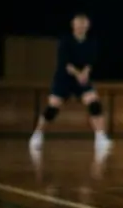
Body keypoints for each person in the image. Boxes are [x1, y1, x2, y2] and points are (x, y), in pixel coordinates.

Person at [29, 13, 112, 155]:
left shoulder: (91, 42)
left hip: (82, 79)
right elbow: (65, 63)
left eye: (83, 24)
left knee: (94, 103)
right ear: (73, 26)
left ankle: (100, 137)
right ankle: (37, 135)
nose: (81, 27)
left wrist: (85, 72)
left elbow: (91, 61)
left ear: (87, 26)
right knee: (53, 107)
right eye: (78, 24)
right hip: (64, 78)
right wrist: (78, 74)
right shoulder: (65, 41)